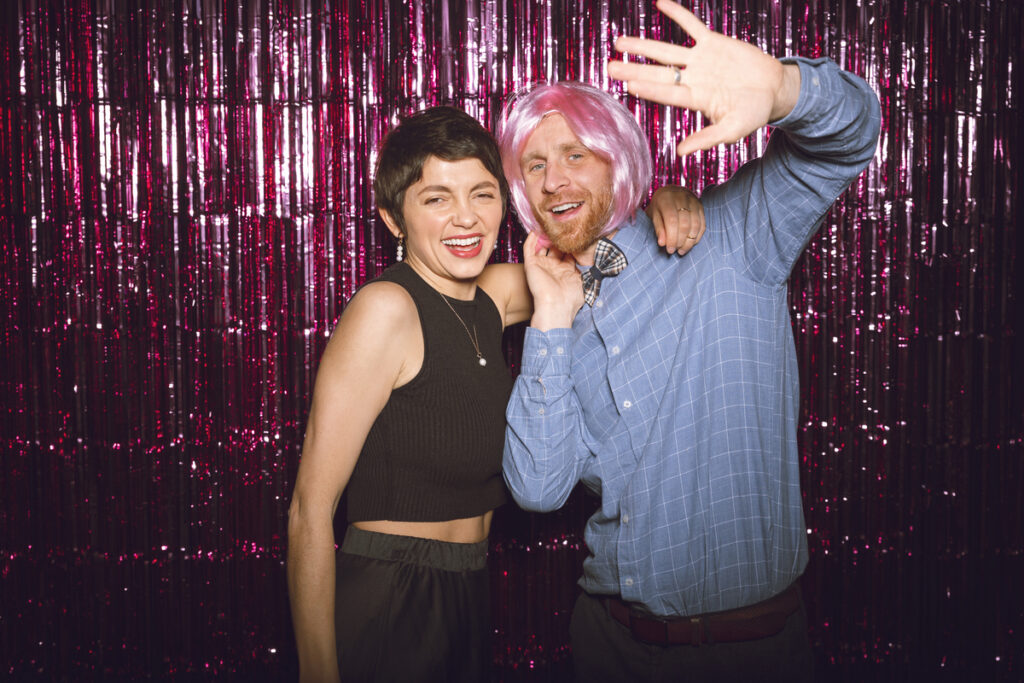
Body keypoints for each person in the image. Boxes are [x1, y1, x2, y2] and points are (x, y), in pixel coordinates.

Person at [499, 1, 882, 681]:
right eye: (534, 166)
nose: (555, 179)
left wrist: (783, 90)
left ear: (615, 160)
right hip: (610, 643)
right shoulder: (554, 322)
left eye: (575, 154)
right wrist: (551, 322)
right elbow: (538, 487)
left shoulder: (730, 239)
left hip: (751, 649)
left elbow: (851, 137)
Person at [286, 105, 704, 682]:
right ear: (392, 219)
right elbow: (311, 511)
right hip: (392, 594)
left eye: (482, 194)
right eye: (436, 199)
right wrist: (317, 673)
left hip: (468, 591)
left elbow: (611, 262)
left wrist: (663, 203)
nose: (466, 218)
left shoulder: (497, 295)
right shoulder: (385, 310)